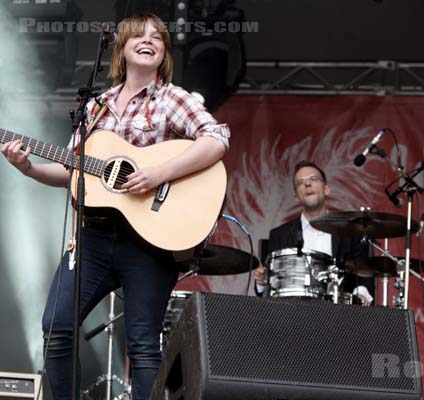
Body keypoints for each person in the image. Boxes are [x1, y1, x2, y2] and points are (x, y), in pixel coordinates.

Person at [1, 14, 229, 400]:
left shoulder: (172, 98)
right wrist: (28, 168)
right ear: (120, 48)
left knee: (142, 346)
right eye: (138, 35)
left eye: (157, 37)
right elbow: (73, 170)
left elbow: (217, 139)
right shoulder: (97, 107)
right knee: (55, 328)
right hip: (93, 236)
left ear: (164, 53)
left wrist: (157, 173)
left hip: (150, 242)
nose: (148, 41)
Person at [255, 160, 374, 304]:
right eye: (300, 182)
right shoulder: (279, 235)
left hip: (340, 316)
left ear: (327, 189)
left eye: (313, 179)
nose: (307, 184)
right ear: (296, 197)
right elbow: (271, 288)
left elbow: (364, 275)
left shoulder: (350, 231)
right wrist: (261, 282)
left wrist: (360, 295)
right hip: (292, 314)